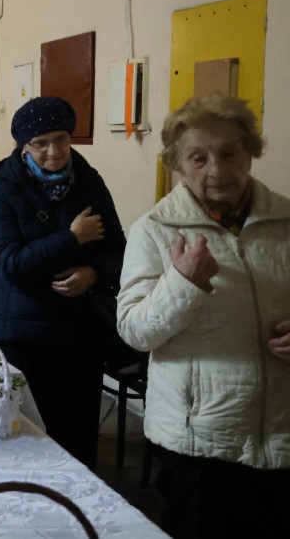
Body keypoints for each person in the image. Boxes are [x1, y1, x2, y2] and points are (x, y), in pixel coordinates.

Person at [116, 95, 290, 539]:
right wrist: (183, 282)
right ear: (177, 164)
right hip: (200, 439)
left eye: (229, 154)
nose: (217, 170)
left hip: (282, 430)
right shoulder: (154, 229)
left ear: (249, 151)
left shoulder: (285, 222)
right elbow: (134, 331)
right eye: (199, 157)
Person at [0, 96, 125, 469]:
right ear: (23, 147)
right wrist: (72, 239)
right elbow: (9, 265)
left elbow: (119, 251)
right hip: (22, 336)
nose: (53, 151)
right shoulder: (2, 185)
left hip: (79, 334)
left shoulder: (88, 180)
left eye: (60, 139)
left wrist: (94, 274)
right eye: (40, 143)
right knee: (25, 440)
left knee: (77, 441)